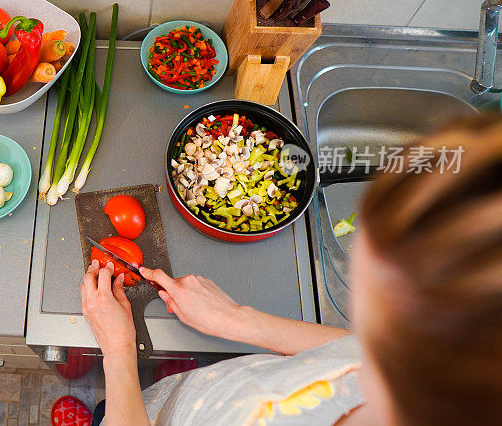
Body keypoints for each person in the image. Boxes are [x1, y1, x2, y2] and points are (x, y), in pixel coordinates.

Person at [79, 114, 502, 425]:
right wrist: (241, 321)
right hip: (180, 403)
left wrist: (118, 354)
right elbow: (355, 348)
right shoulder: (429, 368)